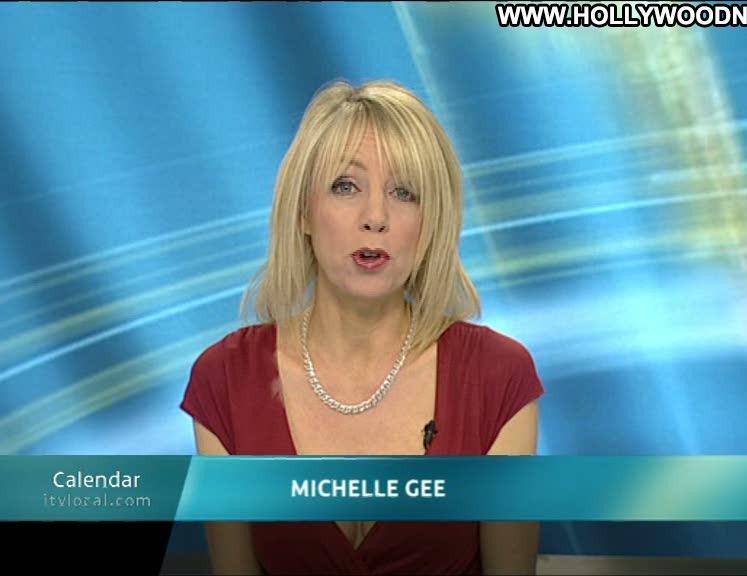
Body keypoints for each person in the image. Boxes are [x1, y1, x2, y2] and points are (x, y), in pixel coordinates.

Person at [181, 79, 544, 575]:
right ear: (303, 212)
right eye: (346, 186)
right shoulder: (225, 379)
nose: (376, 217)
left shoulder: (497, 376)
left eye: (404, 192)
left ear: (431, 223)